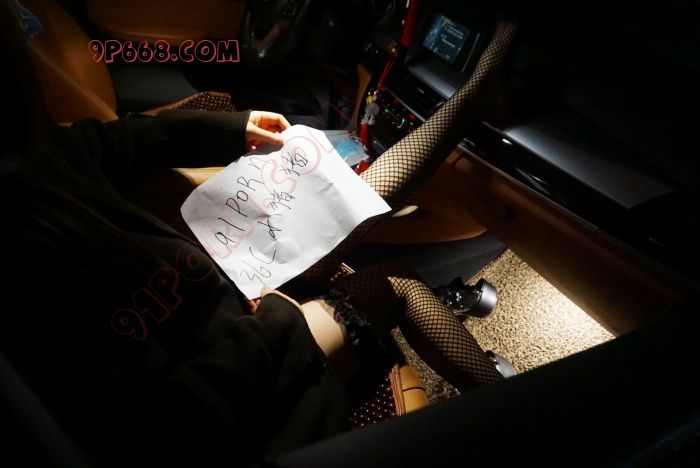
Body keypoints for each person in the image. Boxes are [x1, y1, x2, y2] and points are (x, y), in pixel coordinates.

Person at [1, 1, 516, 466]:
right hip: (247, 394)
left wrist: (234, 128)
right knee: (395, 283)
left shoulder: (32, 159)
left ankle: (477, 91)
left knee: (350, 198)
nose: (27, 33)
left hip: (222, 295)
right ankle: (519, 416)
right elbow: (165, 423)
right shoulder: (22, 277)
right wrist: (275, 318)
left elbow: (110, 142)